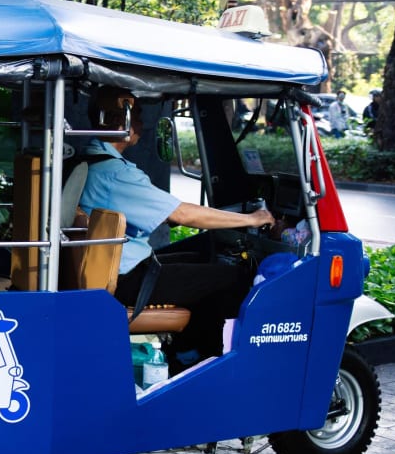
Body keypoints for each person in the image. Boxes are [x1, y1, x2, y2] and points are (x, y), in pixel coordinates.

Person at [78, 86, 275, 370]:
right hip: (126, 279)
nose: (142, 125)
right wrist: (253, 220)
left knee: (201, 251)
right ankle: (197, 359)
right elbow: (182, 213)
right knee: (232, 278)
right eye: (138, 116)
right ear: (120, 121)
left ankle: (189, 351)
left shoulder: (89, 159)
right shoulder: (114, 173)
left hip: (111, 265)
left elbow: (166, 213)